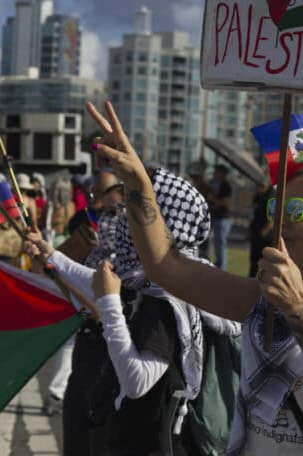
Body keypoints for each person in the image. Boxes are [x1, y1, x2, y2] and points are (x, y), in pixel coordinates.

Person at [86, 100, 303, 454]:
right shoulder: (263, 301)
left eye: (297, 211)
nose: (280, 223)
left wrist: (299, 307)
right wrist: (138, 184)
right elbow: (165, 266)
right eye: (277, 208)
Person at [26, 168, 239, 455]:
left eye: (138, 211)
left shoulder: (166, 297)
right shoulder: (148, 280)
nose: (125, 218)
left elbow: (137, 381)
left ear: (165, 225)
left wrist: (110, 304)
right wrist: (51, 255)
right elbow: (100, 284)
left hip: (153, 443)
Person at [42, 171, 123, 419]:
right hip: (84, 294)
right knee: (72, 347)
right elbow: (75, 262)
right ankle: (58, 393)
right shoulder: (81, 219)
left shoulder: (124, 224)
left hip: (111, 302)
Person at [207, 164, 233, 270]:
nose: (215, 174)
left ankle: (222, 268)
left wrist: (213, 200)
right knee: (215, 244)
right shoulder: (212, 183)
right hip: (213, 217)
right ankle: (217, 265)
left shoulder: (226, 186)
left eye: (217, 172)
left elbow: (226, 203)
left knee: (221, 244)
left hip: (223, 219)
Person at [248, 183, 273, 278]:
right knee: (254, 261)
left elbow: (272, 220)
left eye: (261, 186)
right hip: (256, 232)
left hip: (265, 237)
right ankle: (251, 279)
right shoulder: (258, 198)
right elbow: (252, 215)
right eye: (258, 186)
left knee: (263, 262)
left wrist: (262, 234)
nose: (258, 188)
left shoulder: (271, 198)